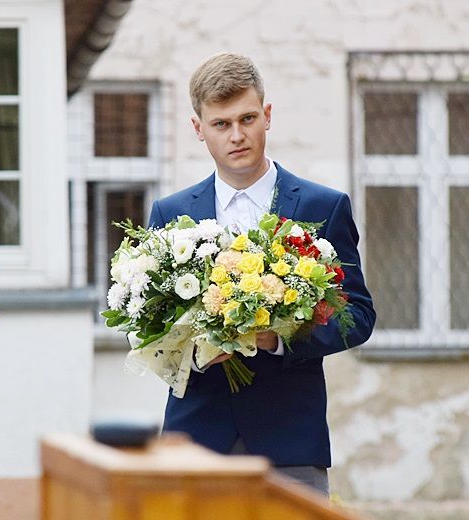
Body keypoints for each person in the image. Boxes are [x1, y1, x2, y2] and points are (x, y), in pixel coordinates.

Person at [148, 52, 376, 495]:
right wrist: (192, 349)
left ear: (266, 116)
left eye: (247, 118)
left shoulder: (321, 207)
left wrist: (279, 340)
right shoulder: (171, 215)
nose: (237, 135)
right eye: (221, 124)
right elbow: (151, 327)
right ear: (199, 129)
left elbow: (359, 316)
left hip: (289, 438)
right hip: (197, 436)